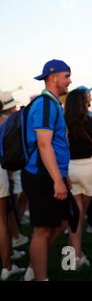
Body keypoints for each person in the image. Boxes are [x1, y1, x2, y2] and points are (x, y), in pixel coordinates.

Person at [21, 59, 73, 281]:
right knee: (42, 230)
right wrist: (57, 180)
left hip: (50, 174)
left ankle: (35, 265)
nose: (70, 81)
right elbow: (44, 144)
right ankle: (39, 276)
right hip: (41, 176)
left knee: (64, 219)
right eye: (67, 76)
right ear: (53, 77)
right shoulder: (45, 104)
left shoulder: (51, 103)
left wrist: (64, 175)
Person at [64, 89, 92, 268]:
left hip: (70, 168)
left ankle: (74, 256)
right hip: (90, 168)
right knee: (81, 213)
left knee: (75, 215)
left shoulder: (63, 123)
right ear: (83, 102)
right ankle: (76, 256)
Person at [0, 98, 25, 280]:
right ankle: (7, 267)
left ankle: (8, 255)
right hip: (1, 170)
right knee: (2, 219)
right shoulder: (4, 121)